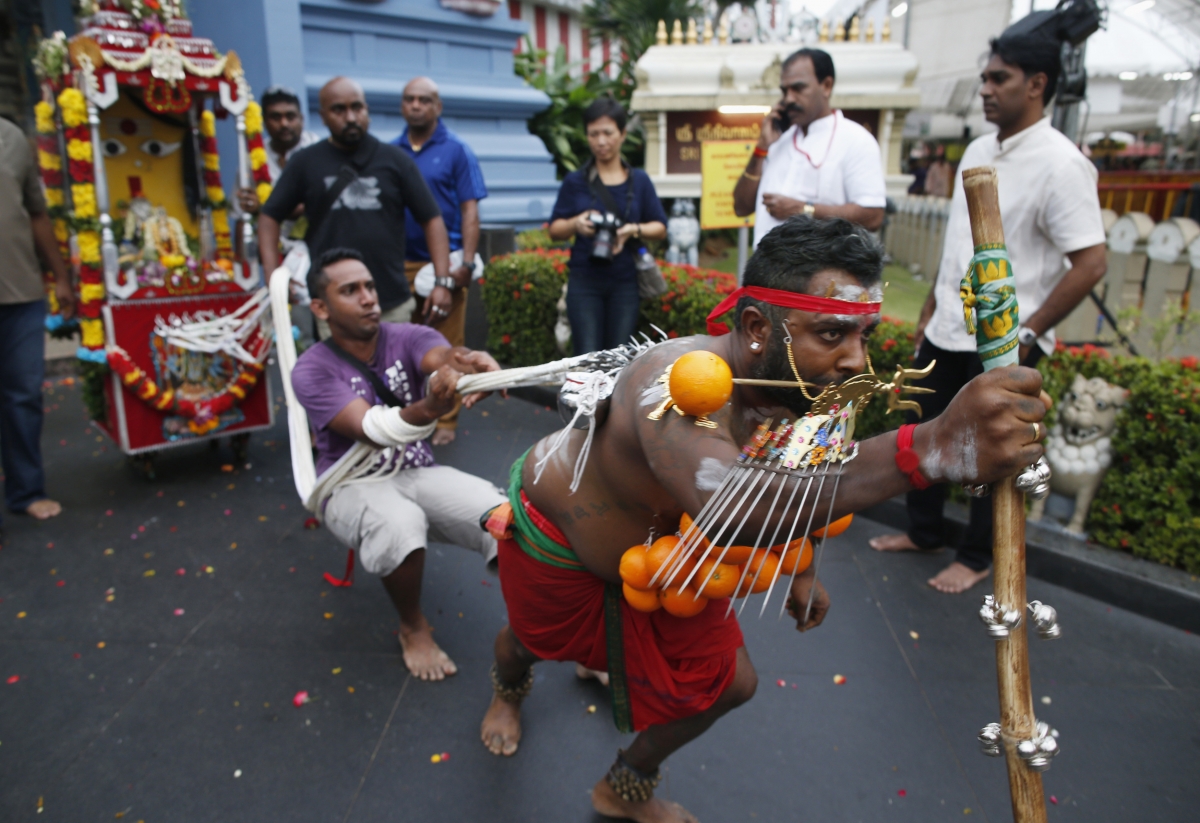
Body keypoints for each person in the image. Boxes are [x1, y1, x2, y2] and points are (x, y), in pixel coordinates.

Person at [478, 217, 1050, 822]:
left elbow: (796, 477)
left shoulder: (806, 389)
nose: (855, 361)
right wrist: (926, 448)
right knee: (528, 643)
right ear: (755, 327)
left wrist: (801, 568)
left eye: (865, 334)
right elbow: (737, 501)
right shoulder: (672, 385)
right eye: (832, 333)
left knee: (733, 684)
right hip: (559, 550)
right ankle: (508, 687)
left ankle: (625, 785)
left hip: (672, 555)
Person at [869, 27, 1107, 594]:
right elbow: (958, 247)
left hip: (1007, 344)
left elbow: (1091, 263)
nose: (985, 89)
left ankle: (977, 556)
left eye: (999, 78)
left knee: (994, 447)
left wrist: (1028, 332)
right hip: (947, 327)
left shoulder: (1063, 164)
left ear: (1037, 84)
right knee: (922, 428)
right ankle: (924, 533)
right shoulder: (978, 150)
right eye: (984, 77)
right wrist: (930, 307)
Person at [291, 247, 507, 681]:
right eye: (350, 291)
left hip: (416, 471)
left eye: (369, 286)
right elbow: (369, 428)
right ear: (320, 307)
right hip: (351, 485)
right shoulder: (311, 369)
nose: (369, 297)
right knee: (399, 525)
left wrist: (467, 364)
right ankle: (412, 627)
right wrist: (430, 406)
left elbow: (441, 358)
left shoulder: (406, 335)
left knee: (504, 518)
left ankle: (543, 626)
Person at [258, 76, 455, 339]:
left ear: (367, 111)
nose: (350, 117)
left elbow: (431, 219)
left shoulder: (395, 160)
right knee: (341, 379)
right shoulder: (305, 163)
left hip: (391, 303)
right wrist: (274, 281)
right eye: (339, 109)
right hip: (334, 310)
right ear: (323, 116)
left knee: (395, 379)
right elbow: (269, 217)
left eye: (357, 107)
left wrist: (442, 281)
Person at [394, 76, 488, 446]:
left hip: (443, 266)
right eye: (409, 99)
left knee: (447, 344)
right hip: (397, 264)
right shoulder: (391, 151)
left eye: (424, 100)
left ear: (438, 107)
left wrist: (463, 263)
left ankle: (447, 419)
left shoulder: (456, 150)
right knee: (401, 344)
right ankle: (408, 415)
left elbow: (470, 211)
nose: (416, 105)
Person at [0, 116, 76, 532]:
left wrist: (60, 276)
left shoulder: (11, 138)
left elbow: (36, 214)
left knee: (23, 395)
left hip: (20, 291)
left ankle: (26, 491)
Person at [547, 97, 667, 354]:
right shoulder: (575, 181)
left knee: (618, 357)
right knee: (587, 357)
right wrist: (576, 223)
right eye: (593, 134)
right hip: (584, 281)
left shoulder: (639, 181)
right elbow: (554, 229)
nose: (601, 141)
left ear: (623, 134)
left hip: (625, 283)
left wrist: (632, 230)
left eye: (607, 133)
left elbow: (660, 227)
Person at [732, 48, 887, 244]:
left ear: (827, 86)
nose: (788, 99)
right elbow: (741, 207)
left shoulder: (856, 140)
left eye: (798, 88)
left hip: (821, 272)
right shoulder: (778, 140)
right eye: (784, 91)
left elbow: (873, 215)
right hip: (768, 270)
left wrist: (804, 210)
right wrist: (761, 148)